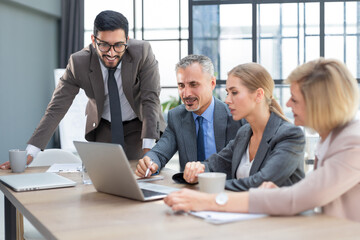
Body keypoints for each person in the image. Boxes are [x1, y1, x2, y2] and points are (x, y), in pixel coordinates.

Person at [164, 58, 360, 222]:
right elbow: (216, 164)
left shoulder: (353, 143)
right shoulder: (331, 139)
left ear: (320, 105)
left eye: (295, 99)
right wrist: (198, 172)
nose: (287, 103)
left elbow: (299, 197)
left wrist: (207, 200)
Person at [0, 10, 165, 170]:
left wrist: (148, 151)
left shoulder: (142, 52)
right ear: (94, 40)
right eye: (104, 45)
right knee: (100, 180)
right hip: (103, 127)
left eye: (119, 45)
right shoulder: (79, 62)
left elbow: (150, 100)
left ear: (127, 40)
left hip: (138, 126)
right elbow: (57, 107)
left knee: (138, 176)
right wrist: (31, 153)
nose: (111, 53)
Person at [181, 62, 305, 191]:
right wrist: (197, 169)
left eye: (234, 92)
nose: (227, 100)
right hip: (245, 209)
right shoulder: (244, 133)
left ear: (259, 95)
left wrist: (211, 183)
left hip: (279, 211)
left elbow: (260, 182)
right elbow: (214, 165)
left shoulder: (290, 135)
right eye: (227, 92)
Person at [135, 55, 243, 176]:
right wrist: (150, 161)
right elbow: (160, 152)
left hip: (225, 190)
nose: (186, 94)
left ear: (212, 83)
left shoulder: (235, 117)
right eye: (181, 85)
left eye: (193, 84)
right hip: (190, 190)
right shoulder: (177, 117)